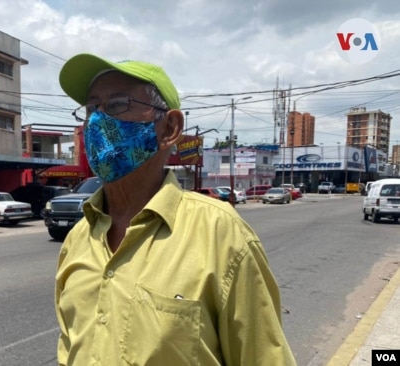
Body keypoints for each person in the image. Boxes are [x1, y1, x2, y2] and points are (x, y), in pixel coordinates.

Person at [54, 53, 297, 365]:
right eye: (91, 109)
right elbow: (68, 349)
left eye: (117, 105)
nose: (99, 123)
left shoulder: (221, 235)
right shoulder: (77, 241)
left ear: (169, 128)